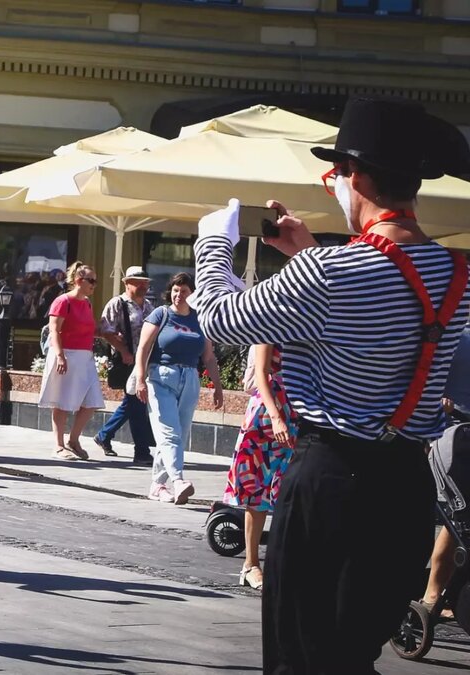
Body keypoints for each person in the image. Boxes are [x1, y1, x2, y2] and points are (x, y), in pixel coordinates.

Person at [189, 98, 470, 672]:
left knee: (299, 656)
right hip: (407, 488)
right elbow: (391, 300)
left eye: (335, 174)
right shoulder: (458, 274)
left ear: (359, 178)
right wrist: (312, 253)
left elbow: (220, 316)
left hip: (330, 482)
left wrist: (213, 242)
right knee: (352, 655)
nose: (333, 185)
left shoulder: (329, 273)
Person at [133, 272, 223, 505]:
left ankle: (157, 485)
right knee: (168, 432)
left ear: (192, 294)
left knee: (179, 435)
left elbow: (209, 356)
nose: (178, 295)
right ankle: (178, 480)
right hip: (161, 377)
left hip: (190, 378)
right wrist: (141, 379)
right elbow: (143, 348)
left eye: (184, 291)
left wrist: (218, 387)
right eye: (175, 290)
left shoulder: (200, 319)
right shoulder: (161, 314)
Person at [222, 344, 297, 590]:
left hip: (301, 409)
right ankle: (251, 564)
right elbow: (263, 374)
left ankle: (288, 563)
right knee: (259, 487)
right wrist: (276, 417)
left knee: (295, 488)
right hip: (269, 410)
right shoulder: (273, 323)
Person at [420, 325, 470, 618]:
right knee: (459, 519)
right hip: (456, 435)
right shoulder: (457, 337)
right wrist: (438, 402)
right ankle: (433, 595)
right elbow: (427, 377)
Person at [38, 261, 105, 460]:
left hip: (84, 357)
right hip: (65, 354)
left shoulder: (87, 303)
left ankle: (73, 440)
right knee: (62, 401)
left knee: (92, 401)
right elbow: (54, 330)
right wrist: (60, 355)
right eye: (91, 280)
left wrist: (105, 334)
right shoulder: (62, 301)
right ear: (78, 280)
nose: (94, 284)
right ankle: (58, 445)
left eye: (95, 281)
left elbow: (86, 329)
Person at [93, 266, 157, 465]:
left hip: (145, 361)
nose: (143, 285)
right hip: (128, 361)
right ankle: (142, 451)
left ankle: (104, 435)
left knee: (133, 403)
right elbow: (105, 330)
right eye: (138, 282)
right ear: (126, 283)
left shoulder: (148, 306)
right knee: (137, 404)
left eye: (145, 282)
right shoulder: (117, 303)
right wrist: (123, 351)